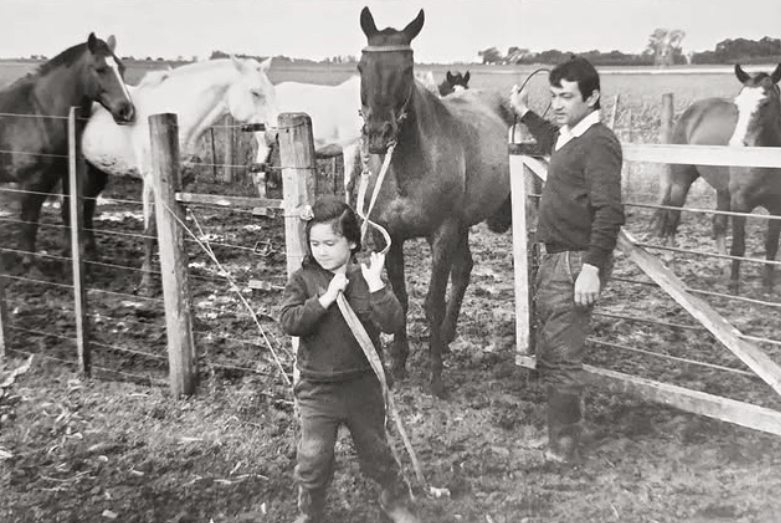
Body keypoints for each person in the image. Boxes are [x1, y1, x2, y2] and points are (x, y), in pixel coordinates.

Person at [509, 56, 625, 465]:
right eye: (553, 96)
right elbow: (548, 140)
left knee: (561, 353)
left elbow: (610, 210)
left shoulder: (598, 142)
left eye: (566, 97)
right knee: (558, 349)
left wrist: (592, 268)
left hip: (576, 262)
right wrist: (523, 111)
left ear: (592, 97)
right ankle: (566, 434)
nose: (557, 104)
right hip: (560, 259)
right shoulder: (569, 135)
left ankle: (563, 446)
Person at [279, 195, 419, 523]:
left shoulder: (364, 278)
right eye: (315, 243)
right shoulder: (303, 280)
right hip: (318, 388)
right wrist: (325, 299)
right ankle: (309, 509)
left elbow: (393, 323)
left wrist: (376, 288)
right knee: (314, 455)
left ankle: (392, 498)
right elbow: (288, 321)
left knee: (377, 450)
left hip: (362, 386)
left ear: (352, 242)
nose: (321, 250)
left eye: (330, 242)